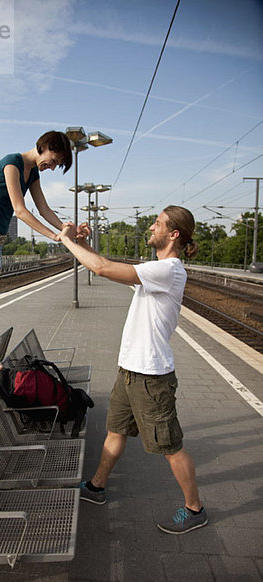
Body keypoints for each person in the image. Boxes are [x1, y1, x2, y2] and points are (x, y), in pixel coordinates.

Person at [60, 205, 208, 535]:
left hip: (151, 377)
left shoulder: (169, 270)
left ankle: (195, 509)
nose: (150, 227)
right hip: (129, 371)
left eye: (157, 224)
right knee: (116, 431)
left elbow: (101, 270)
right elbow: (109, 266)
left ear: (173, 234)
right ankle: (96, 487)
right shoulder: (156, 270)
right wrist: (84, 244)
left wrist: (66, 241)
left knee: (170, 446)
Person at [0, 130, 75, 385]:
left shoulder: (32, 173)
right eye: (54, 160)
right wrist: (54, 237)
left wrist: (63, 228)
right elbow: (20, 211)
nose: (52, 167)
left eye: (57, 165)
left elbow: (43, 208)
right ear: (44, 146)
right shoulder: (12, 163)